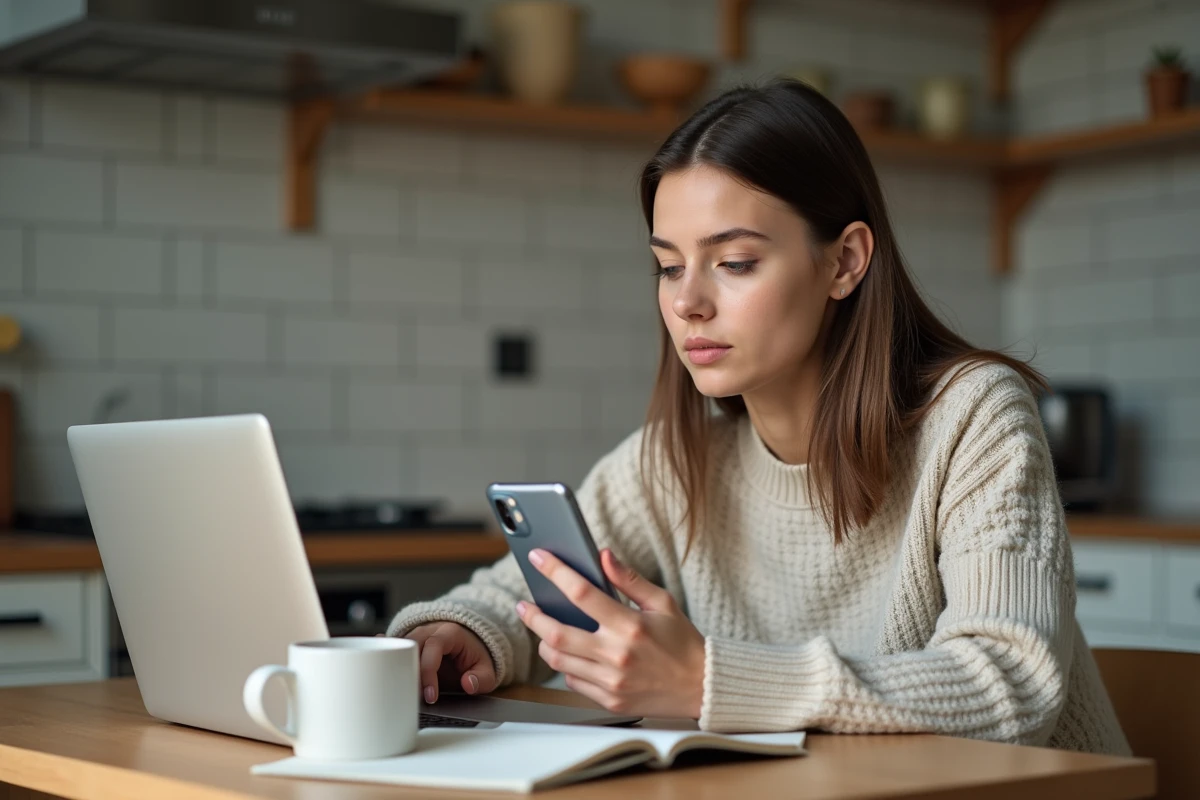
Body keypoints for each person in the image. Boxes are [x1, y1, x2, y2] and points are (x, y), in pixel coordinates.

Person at [386, 79, 1129, 755]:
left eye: (734, 261)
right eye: (669, 266)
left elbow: (1013, 684)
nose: (687, 302)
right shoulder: (677, 461)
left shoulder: (974, 415)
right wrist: (458, 635)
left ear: (844, 262)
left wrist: (710, 678)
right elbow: (519, 592)